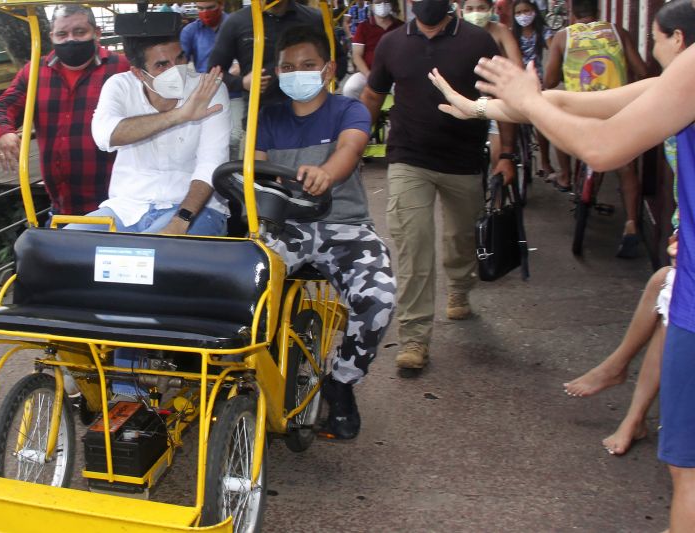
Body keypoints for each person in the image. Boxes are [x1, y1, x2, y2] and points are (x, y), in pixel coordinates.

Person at [428, 1, 695, 526]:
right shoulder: (677, 80)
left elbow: (602, 146)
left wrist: (526, 98)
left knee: (688, 473)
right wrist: (481, 108)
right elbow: (580, 102)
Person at [562, 0, 695, 456]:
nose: (652, 49)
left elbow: (602, 146)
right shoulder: (669, 85)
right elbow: (575, 101)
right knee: (665, 297)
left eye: (656, 40)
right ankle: (628, 398)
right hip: (685, 234)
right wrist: (493, 104)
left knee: (668, 303)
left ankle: (625, 390)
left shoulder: (685, 83)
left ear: (678, 39)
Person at [359, 0, 515, 376]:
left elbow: (503, 98)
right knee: (413, 244)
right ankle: (414, 338)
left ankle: (460, 284)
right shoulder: (392, 43)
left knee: (462, 236)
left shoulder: (478, 41)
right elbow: (373, 96)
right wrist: (353, 145)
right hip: (408, 157)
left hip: (463, 161)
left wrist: (507, 154)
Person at [256, 25, 396, 439]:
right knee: (242, 289)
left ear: (329, 69)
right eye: (287, 67)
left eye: (307, 65)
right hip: (285, 227)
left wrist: (326, 173)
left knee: (379, 299)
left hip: (345, 227)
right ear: (276, 71)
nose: (296, 73)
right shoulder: (267, 117)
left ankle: (342, 381)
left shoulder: (348, 110)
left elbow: (349, 150)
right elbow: (257, 168)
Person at [68, 18, 230, 236]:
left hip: (195, 209)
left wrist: (181, 219)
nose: (177, 70)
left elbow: (211, 163)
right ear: (138, 73)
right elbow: (105, 135)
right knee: (66, 242)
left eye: (180, 58)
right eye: (162, 65)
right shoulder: (119, 86)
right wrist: (179, 115)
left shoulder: (209, 88)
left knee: (151, 250)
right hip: (126, 208)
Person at [0, 5, 129, 217]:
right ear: (52, 36)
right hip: (61, 206)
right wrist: (2, 132)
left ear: (96, 33)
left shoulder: (122, 68)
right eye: (62, 34)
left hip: (117, 203)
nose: (71, 40)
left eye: (80, 32)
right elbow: (3, 106)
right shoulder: (35, 71)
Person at [543, 0, 647, 258]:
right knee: (627, 167)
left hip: (581, 113)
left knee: (556, 125)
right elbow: (642, 71)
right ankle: (631, 223)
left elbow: (550, 80)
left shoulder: (563, 37)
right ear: (598, 11)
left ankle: (565, 175)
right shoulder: (617, 32)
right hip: (617, 111)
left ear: (572, 12)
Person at [207, 0, 348, 110]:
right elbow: (213, 72)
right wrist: (242, 83)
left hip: (312, 115)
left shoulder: (313, 19)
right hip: (259, 120)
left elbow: (339, 58)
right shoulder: (237, 22)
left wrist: (329, 81)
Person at [461, 0, 522, 171]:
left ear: (491, 10)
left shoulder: (501, 31)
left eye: (481, 8)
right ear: (461, 11)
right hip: (467, 95)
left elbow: (517, 66)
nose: (475, 13)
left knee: (498, 154)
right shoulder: (457, 33)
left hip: (497, 95)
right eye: (470, 9)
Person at [180, 0, 246, 160]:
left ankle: (229, 171)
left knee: (234, 137)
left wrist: (239, 69)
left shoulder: (236, 26)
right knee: (204, 138)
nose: (205, 13)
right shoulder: (191, 31)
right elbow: (180, 62)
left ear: (221, 5)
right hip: (206, 93)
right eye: (200, 8)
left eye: (210, 8)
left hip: (233, 92)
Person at [512, 0, 555, 178]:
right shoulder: (511, 34)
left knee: (541, 122)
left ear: (534, 12)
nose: (523, 15)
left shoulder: (543, 31)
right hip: (516, 81)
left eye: (526, 11)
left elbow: (554, 50)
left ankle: (545, 162)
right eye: (518, 13)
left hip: (538, 81)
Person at [342, 0, 403, 100]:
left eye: (386, 1)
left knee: (405, 92)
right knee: (350, 88)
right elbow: (356, 55)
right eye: (378, 2)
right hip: (368, 73)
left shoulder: (401, 26)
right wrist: (369, 75)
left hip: (396, 74)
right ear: (372, 5)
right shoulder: (363, 27)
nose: (382, 5)